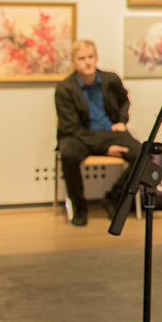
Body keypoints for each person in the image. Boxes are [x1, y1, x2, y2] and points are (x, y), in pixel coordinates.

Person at [55, 40, 141, 226]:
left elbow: (124, 101)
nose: (87, 62)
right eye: (81, 58)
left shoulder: (110, 80)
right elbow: (70, 127)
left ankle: (113, 197)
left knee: (143, 154)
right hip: (78, 136)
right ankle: (80, 207)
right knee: (68, 154)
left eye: (90, 57)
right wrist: (105, 148)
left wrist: (121, 121)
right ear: (73, 61)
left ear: (96, 57)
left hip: (109, 132)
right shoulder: (64, 89)